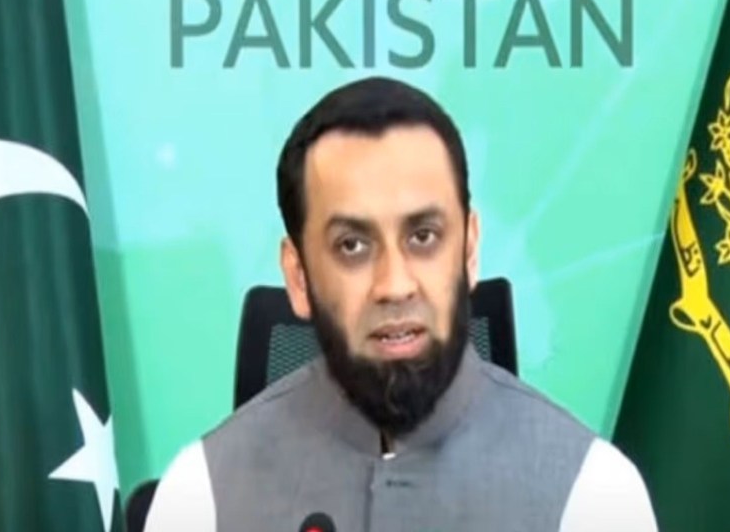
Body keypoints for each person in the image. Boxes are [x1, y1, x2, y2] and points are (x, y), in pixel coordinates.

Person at [144, 76, 658, 531]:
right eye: (352, 245)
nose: (394, 285)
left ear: (469, 251)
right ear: (298, 277)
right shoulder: (199, 498)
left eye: (423, 236)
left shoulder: (594, 496)